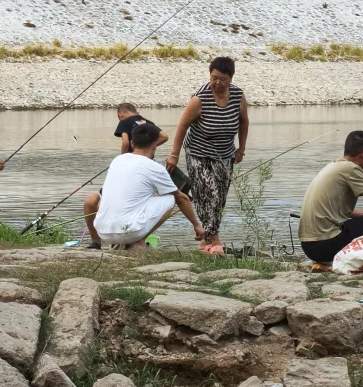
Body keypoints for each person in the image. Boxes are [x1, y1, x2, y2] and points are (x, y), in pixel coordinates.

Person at [166, 56, 248, 256]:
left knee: (219, 197)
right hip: (198, 153)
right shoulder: (200, 98)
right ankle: (214, 237)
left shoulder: (237, 95)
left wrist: (241, 149)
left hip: (224, 154)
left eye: (222, 78)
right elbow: (182, 126)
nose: (217, 82)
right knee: (206, 193)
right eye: (214, 77)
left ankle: (204, 240)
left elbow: (244, 122)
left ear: (231, 78)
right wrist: (174, 155)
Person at [84, 119, 205, 250]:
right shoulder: (155, 168)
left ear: (131, 143)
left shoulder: (117, 160)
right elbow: (182, 199)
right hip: (129, 232)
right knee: (171, 197)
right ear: (154, 145)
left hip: (103, 232)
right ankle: (138, 242)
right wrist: (196, 225)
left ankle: (98, 242)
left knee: (94, 197)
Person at [298, 130, 363, 269]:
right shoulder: (352, 169)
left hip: (310, 247)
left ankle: (328, 261)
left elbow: (331, 207)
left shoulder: (333, 166)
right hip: (326, 245)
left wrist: (359, 214)